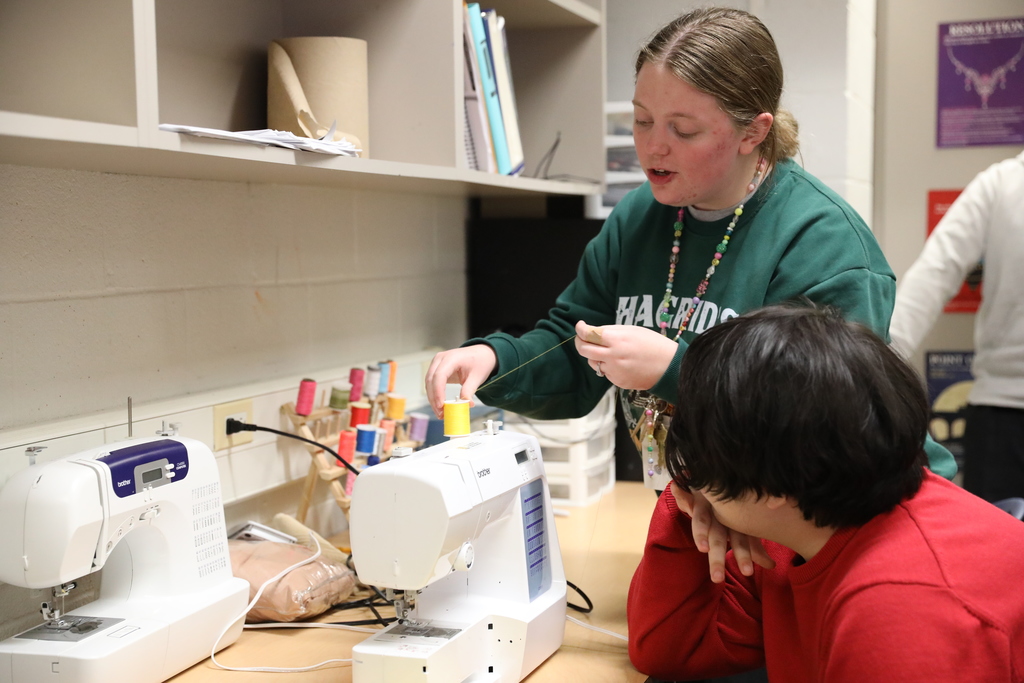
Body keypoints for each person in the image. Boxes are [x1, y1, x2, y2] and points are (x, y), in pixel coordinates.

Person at [425, 6, 956, 583]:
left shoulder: (823, 242)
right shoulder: (639, 220)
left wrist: (677, 370)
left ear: (754, 131)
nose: (653, 148)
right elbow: (575, 349)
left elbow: (829, 425)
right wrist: (496, 359)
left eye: (684, 129)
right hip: (731, 514)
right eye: (643, 120)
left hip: (861, 533)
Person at [627, 303, 1024, 682]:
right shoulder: (801, 522)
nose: (688, 471)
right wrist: (692, 513)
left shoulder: (903, 610)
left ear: (768, 485)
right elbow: (670, 649)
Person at [890, 150, 1024, 504]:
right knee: (1002, 555)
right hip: (1002, 413)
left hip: (1000, 416)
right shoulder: (1001, 184)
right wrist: (873, 372)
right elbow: (933, 275)